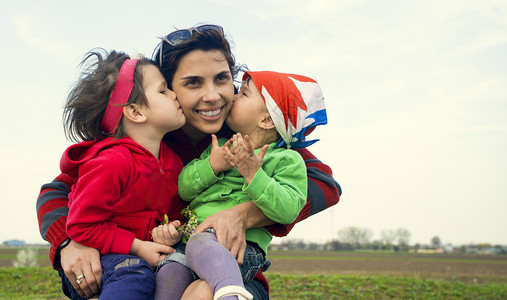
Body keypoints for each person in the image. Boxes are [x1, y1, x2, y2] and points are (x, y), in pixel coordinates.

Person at [36, 24, 342, 299]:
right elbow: (57, 192)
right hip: (142, 271)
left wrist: (244, 214)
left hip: (228, 272)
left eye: (222, 79)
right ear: (169, 90)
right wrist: (68, 242)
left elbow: (324, 183)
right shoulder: (148, 135)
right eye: (193, 83)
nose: (213, 96)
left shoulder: (244, 134)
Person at [153, 70, 327, 300]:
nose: (233, 96)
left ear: (266, 120)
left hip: (239, 249)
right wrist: (211, 166)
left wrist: (254, 175)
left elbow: (289, 209)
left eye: (243, 94)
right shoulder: (220, 146)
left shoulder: (287, 159)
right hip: (188, 244)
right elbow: (184, 188)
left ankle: (229, 293)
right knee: (169, 273)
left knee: (201, 288)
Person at [55, 49, 187, 299]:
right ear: (136, 112)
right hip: (98, 261)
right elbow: (82, 226)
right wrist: (137, 247)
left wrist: (171, 230)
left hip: (137, 259)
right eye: (163, 90)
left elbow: (176, 211)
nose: (174, 94)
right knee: (134, 274)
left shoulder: (173, 162)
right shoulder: (112, 161)